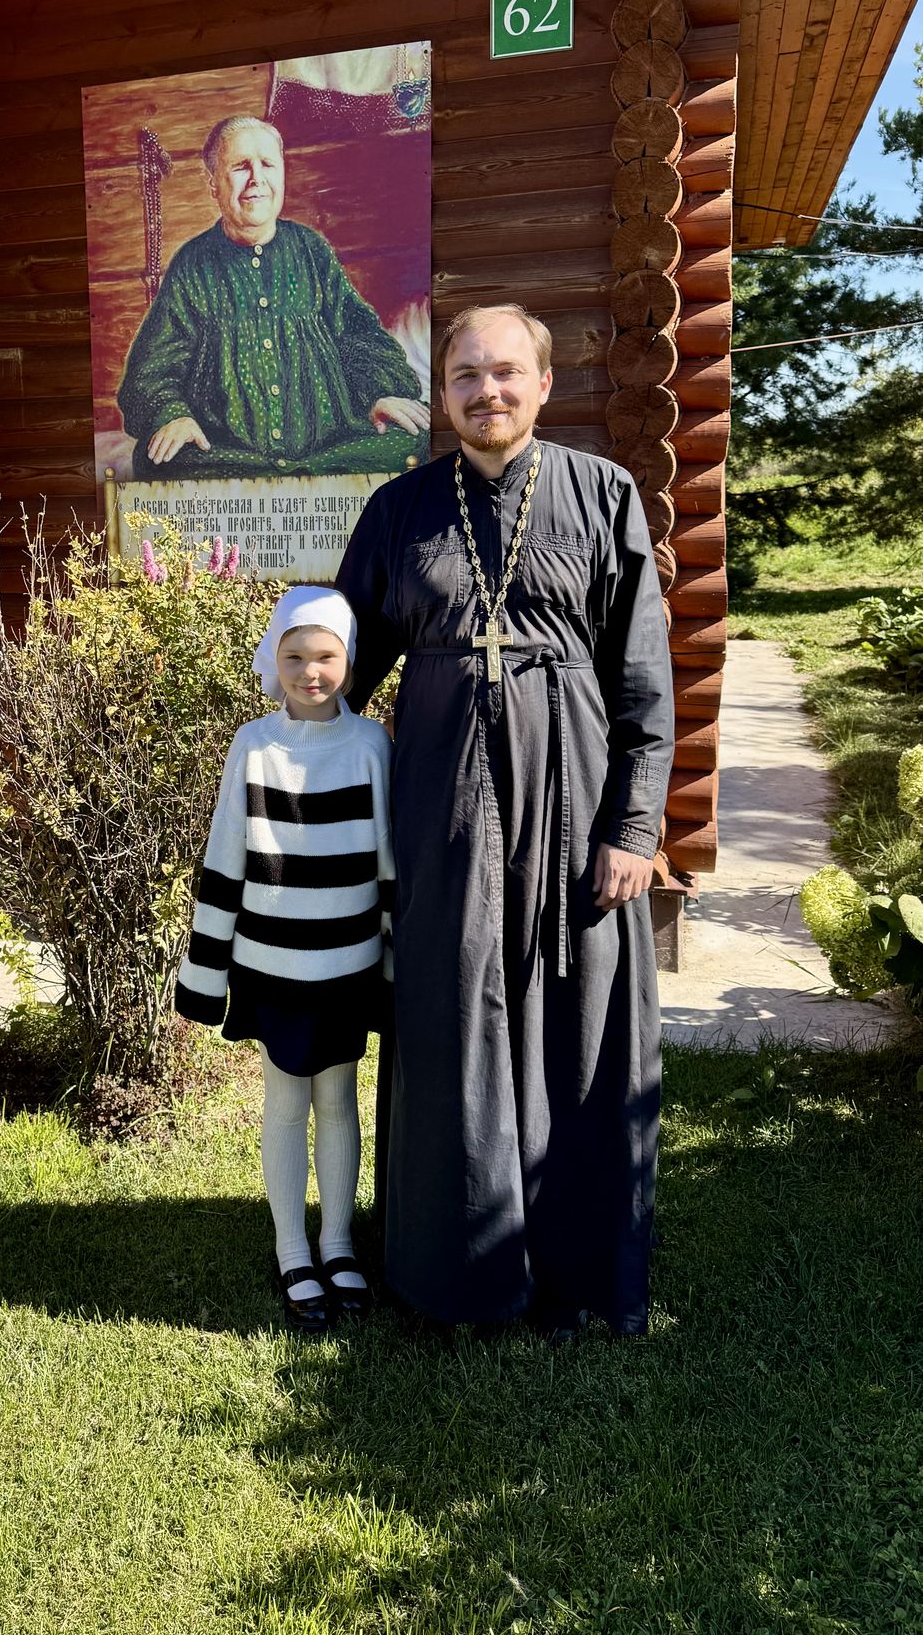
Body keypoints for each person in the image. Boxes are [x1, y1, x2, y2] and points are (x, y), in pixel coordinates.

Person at [335, 303, 674, 1338]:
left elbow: (644, 678)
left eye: (507, 371)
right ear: (443, 394)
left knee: (581, 1017)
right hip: (441, 805)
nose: (488, 390)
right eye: (467, 375)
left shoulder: (603, 494)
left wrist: (635, 825)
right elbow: (342, 668)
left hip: (574, 802)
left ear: (543, 381)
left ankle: (581, 1270)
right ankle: (456, 1272)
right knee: (452, 1011)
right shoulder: (399, 511)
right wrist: (286, 752)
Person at [175, 585, 394, 1332]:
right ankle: (292, 1247)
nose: (310, 672)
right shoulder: (254, 745)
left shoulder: (371, 746)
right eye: (294, 656)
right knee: (285, 1103)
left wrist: (394, 967)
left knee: (339, 1101)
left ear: (349, 661)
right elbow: (225, 856)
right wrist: (204, 976)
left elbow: (390, 864)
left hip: (347, 964)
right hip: (272, 965)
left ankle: (338, 1242)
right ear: (273, 660)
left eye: (325, 656)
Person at [117, 116, 428, 480]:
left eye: (267, 164)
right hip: (229, 453)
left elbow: (359, 334)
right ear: (213, 182)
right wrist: (174, 416)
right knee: (157, 458)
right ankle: (298, 478)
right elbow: (153, 366)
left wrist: (379, 394)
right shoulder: (192, 264)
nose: (256, 179)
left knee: (417, 437)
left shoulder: (310, 249)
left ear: (282, 174)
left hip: (329, 444)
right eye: (240, 167)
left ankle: (299, 473)